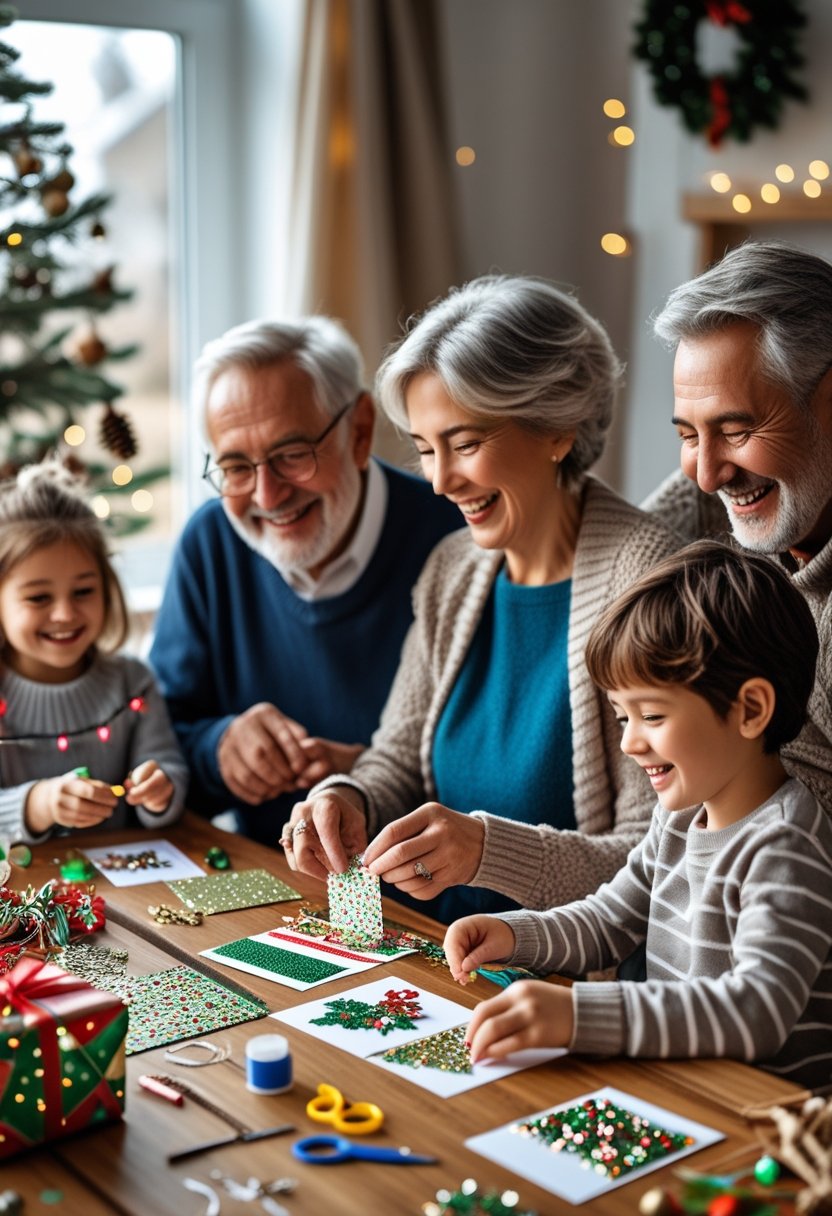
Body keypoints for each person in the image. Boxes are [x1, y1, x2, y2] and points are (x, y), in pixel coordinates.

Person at [286, 274, 679, 924]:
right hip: (443, 956)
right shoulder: (451, 569)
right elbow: (398, 757)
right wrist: (347, 797)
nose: (440, 482)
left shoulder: (650, 581)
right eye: (424, 450)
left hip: (569, 988)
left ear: (558, 427)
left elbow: (657, 858)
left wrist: (490, 853)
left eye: (466, 444)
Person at [445, 542, 832, 1092]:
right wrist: (513, 935)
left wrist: (578, 1014)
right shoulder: (677, 819)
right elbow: (608, 921)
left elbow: (757, 1011)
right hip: (682, 1095)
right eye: (621, 715)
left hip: (763, 1127)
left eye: (651, 715)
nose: (629, 742)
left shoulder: (787, 843)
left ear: (750, 710)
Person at [149, 316, 460, 846]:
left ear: (358, 431)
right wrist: (220, 748)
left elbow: (503, 789)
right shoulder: (210, 544)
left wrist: (372, 778)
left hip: (429, 908)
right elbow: (154, 744)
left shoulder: (456, 543)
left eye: (292, 455)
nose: (267, 496)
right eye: (236, 468)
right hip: (273, 889)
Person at [643, 240, 832, 813]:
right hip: (412, 889)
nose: (704, 476)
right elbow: (654, 860)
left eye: (736, 429)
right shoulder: (660, 547)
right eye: (686, 435)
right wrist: (357, 793)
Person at [0, 462, 187, 843]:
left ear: (106, 587)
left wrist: (159, 790)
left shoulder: (132, 683)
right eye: (38, 597)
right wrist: (38, 803)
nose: (65, 614)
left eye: (83, 591)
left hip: (124, 894)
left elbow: (169, 769)